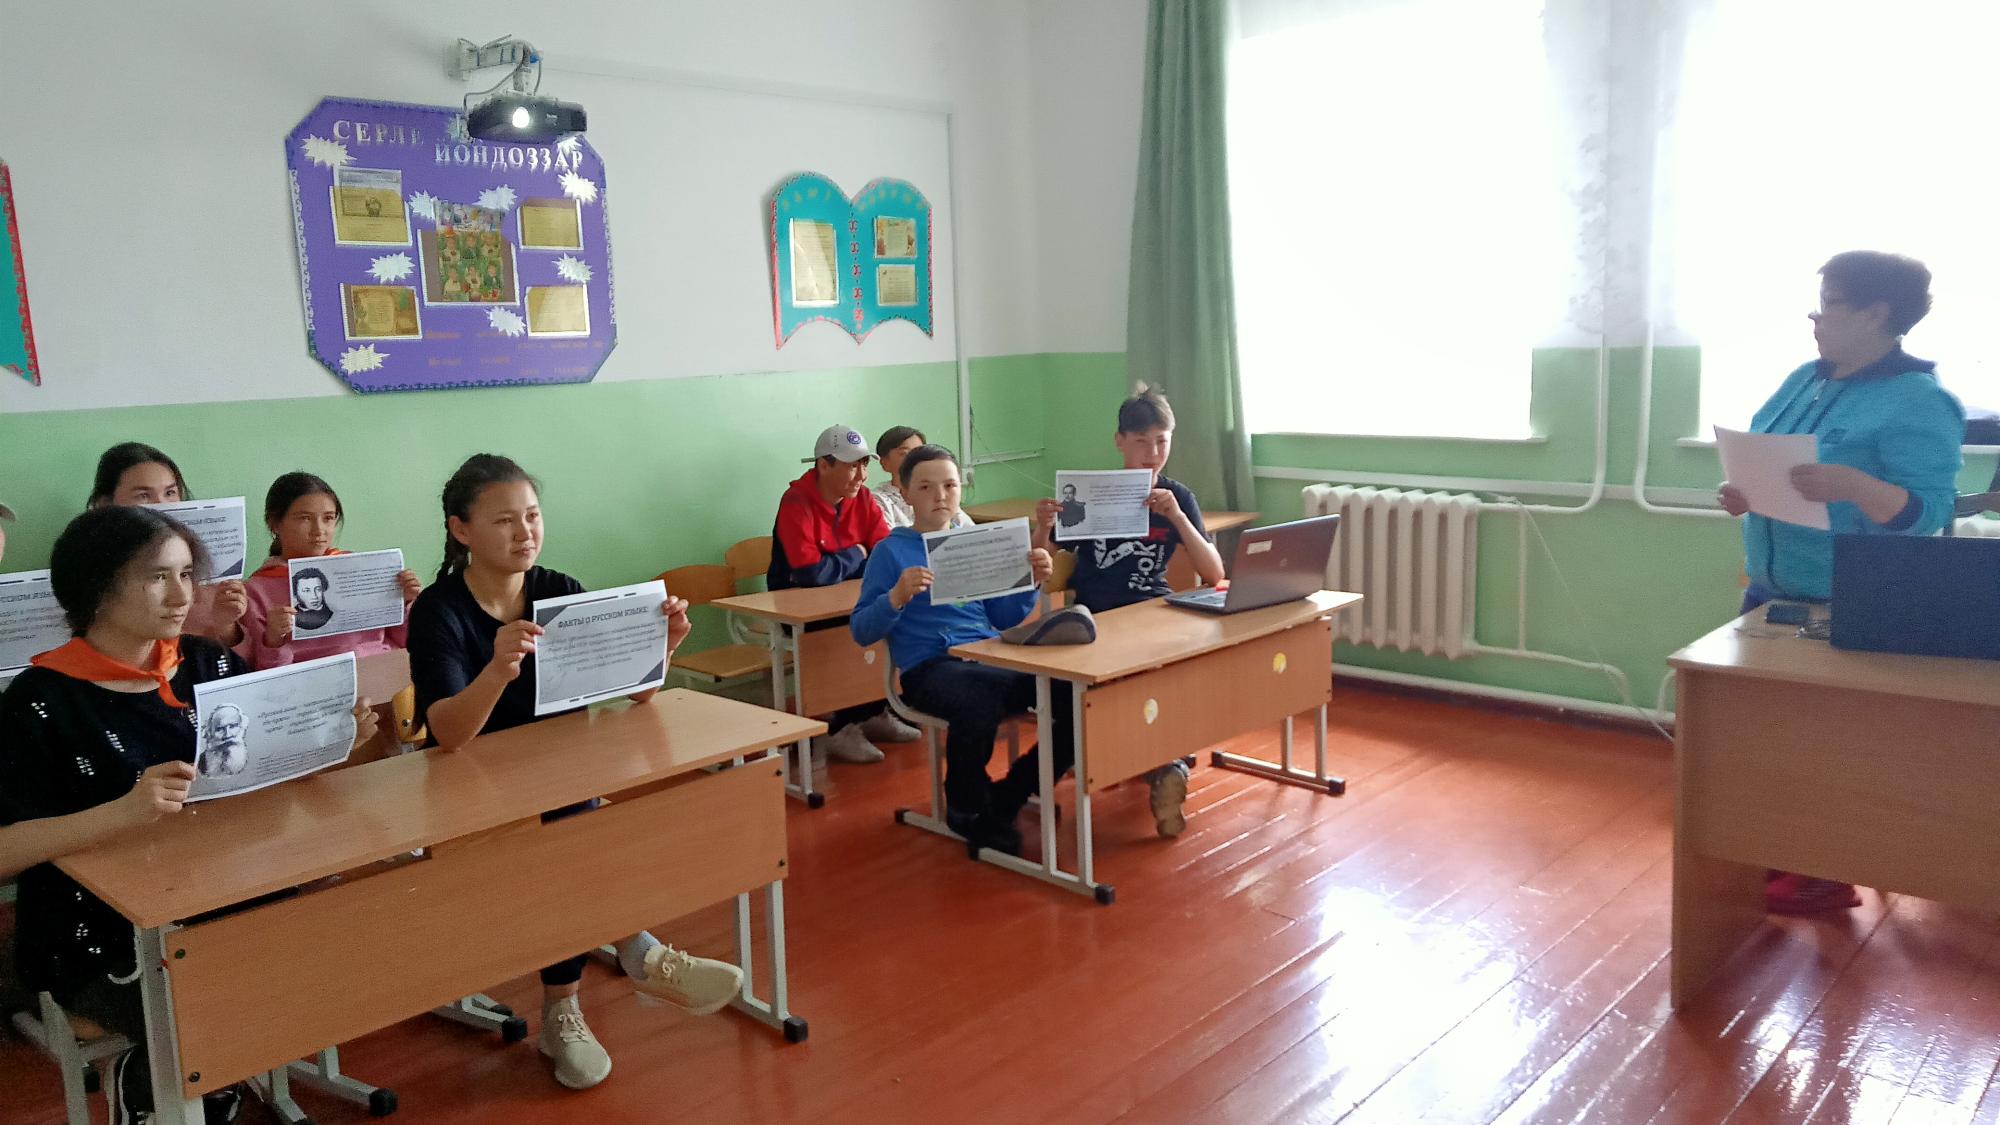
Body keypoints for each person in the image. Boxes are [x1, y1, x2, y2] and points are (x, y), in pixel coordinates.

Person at [0, 505, 378, 1124]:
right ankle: (165, 1087)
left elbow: (261, 782)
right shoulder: (40, 700)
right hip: (100, 931)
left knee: (332, 955)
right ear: (95, 587)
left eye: (185, 574)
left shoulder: (209, 663)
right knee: (214, 1006)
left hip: (225, 892)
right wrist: (122, 812)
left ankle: (193, 1083)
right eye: (157, 577)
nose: (182, 595)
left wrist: (332, 745)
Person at [406, 453, 743, 1091]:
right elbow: (447, 733)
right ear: (460, 529)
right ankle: (623, 965)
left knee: (577, 834)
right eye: (504, 520)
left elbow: (636, 691)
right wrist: (497, 669)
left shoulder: (560, 589)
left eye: (533, 516)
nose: (524, 532)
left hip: (560, 775)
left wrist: (664, 644)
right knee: (568, 849)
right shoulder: (437, 611)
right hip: (473, 789)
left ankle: (589, 991)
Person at [1714, 251, 1963, 915]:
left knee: (1825, 746)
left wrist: (1854, 485)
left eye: (1829, 303)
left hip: (1848, 599)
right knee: (1762, 737)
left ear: (1877, 314)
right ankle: (1771, 854)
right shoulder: (1803, 379)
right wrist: (1743, 491)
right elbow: (1768, 458)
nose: (1815, 316)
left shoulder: (1920, 400)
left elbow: (1929, 512)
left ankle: (1824, 872)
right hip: (1771, 589)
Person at [850, 444, 1068, 855]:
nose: (940, 496)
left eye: (950, 485)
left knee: (1070, 692)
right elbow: (861, 631)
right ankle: (966, 807)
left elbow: (1003, 617)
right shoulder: (890, 551)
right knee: (978, 700)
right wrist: (895, 597)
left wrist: (1031, 580)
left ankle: (1012, 792)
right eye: (926, 487)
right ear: (905, 493)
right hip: (930, 668)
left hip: (987, 657)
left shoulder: (973, 543)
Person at [1033, 383, 1226, 838]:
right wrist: (1042, 526)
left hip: (1154, 610)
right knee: (1111, 686)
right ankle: (1157, 765)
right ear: (1119, 441)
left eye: (1162, 441)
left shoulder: (1178, 496)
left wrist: (1178, 517)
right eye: (1141, 442)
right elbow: (1039, 563)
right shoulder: (1090, 493)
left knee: (1171, 673)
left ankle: (1161, 763)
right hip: (1095, 616)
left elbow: (1214, 571)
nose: (1152, 453)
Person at [768, 424, 922, 764]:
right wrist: (857, 554)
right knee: (847, 632)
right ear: (824, 465)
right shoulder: (796, 501)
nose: (861, 476)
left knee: (887, 616)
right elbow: (809, 573)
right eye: (852, 466)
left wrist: (847, 560)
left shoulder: (861, 498)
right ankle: (841, 728)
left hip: (847, 595)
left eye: (864, 465)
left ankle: (874, 712)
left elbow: (883, 552)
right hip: (797, 607)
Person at [238, 472, 420, 670]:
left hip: (386, 672)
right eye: (304, 518)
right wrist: (274, 639)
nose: (319, 530)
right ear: (274, 523)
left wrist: (405, 603)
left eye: (328, 518)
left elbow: (407, 642)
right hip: (318, 683)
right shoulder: (255, 592)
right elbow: (268, 677)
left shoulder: (357, 569)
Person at [87, 442, 250, 649]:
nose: (161, 506)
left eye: (170, 493)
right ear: (106, 504)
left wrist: (225, 625)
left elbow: (239, 662)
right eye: (143, 495)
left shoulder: (208, 574)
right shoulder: (94, 574)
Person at [871, 425, 973, 530]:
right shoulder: (878, 500)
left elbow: (970, 530)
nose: (916, 459)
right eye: (905, 453)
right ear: (884, 463)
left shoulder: (941, 493)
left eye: (920, 452)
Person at [198, 703, 248, 777]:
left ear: (242, 727)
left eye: (233, 726)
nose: (227, 735)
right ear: (209, 733)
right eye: (219, 729)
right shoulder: (199, 763)